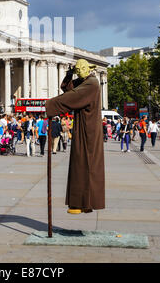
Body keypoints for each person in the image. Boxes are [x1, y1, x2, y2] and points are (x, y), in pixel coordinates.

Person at [46, 59, 105, 215]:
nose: (79, 72)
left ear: (88, 68)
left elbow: (71, 97)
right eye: (77, 70)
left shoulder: (91, 83)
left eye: (80, 69)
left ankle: (85, 202)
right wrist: (69, 73)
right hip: (84, 126)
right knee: (81, 165)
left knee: (85, 164)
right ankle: (83, 203)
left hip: (88, 129)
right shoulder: (86, 81)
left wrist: (50, 105)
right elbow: (67, 89)